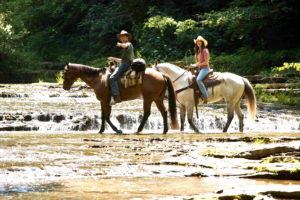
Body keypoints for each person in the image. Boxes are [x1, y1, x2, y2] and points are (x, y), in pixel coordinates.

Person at [108, 30, 135, 105]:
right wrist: (113, 59)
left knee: (112, 78)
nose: (122, 39)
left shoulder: (128, 44)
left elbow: (125, 45)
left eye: (123, 37)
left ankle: (116, 97)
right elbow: (123, 60)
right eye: (121, 37)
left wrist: (120, 44)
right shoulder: (127, 47)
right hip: (125, 63)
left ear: (127, 37)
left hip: (125, 65)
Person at [189, 35, 210, 104]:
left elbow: (206, 62)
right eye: (197, 42)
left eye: (199, 41)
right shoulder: (199, 51)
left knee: (198, 79)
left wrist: (196, 65)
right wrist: (194, 65)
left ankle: (206, 96)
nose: (198, 43)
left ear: (202, 42)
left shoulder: (205, 50)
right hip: (201, 69)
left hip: (205, 68)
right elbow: (200, 61)